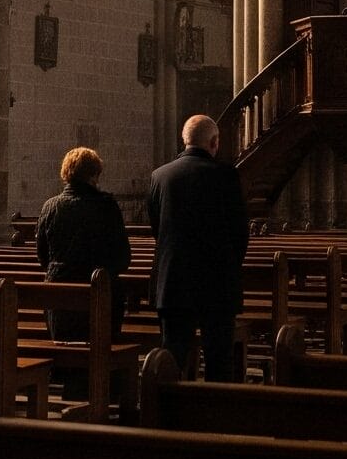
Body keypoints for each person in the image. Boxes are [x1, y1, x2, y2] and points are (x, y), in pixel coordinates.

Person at [145, 115, 249, 381]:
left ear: (185, 140)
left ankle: (166, 414)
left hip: (172, 281)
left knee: (172, 356)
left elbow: (157, 228)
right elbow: (239, 232)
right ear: (214, 142)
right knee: (219, 359)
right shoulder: (226, 175)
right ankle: (215, 415)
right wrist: (228, 265)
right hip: (217, 281)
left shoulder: (160, 176)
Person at [35, 147, 132, 342]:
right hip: (99, 293)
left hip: (59, 294)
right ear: (94, 175)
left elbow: (42, 255)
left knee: (63, 349)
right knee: (101, 347)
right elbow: (123, 256)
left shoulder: (50, 206)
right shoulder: (106, 206)